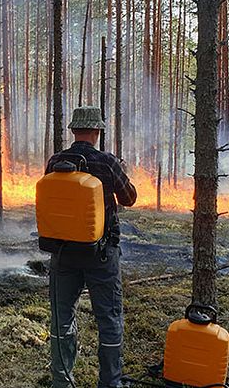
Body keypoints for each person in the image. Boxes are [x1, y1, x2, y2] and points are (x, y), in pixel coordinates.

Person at [45, 107, 137, 388]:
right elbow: (129, 198)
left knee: (61, 318)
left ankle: (62, 381)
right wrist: (123, 172)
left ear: (74, 131)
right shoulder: (107, 162)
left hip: (63, 253)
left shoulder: (55, 161)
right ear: (97, 131)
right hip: (101, 254)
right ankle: (110, 383)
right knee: (108, 318)